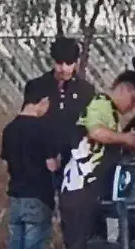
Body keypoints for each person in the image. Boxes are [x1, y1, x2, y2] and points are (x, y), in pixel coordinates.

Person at [56, 70, 135, 249]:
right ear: (125, 90)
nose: (134, 106)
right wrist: (125, 139)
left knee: (83, 241)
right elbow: (95, 132)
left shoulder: (110, 112)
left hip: (85, 188)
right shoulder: (100, 104)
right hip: (80, 187)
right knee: (79, 242)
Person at [0, 80, 61, 249]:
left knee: (16, 247)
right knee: (33, 248)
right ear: (42, 102)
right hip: (37, 194)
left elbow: (6, 161)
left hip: (15, 193)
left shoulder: (10, 129)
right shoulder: (43, 130)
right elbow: (51, 165)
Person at [25, 37, 96, 170]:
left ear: (76, 63)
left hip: (75, 161)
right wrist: (47, 155)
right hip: (40, 160)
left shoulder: (85, 90)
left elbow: (88, 126)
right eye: (59, 63)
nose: (63, 68)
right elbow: (28, 125)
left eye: (68, 63)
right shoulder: (36, 87)